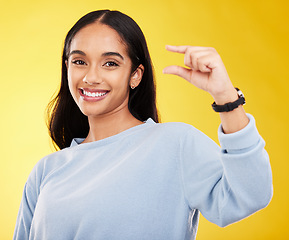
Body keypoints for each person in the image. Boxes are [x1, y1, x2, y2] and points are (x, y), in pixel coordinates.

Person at [13, 10, 273, 240]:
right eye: (79, 61)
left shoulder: (175, 144)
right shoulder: (46, 171)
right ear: (67, 68)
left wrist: (227, 98)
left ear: (135, 75)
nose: (91, 77)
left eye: (110, 63)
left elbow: (251, 194)